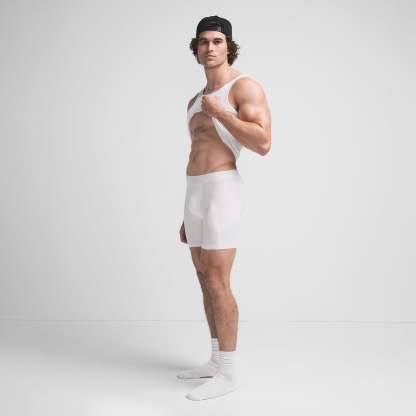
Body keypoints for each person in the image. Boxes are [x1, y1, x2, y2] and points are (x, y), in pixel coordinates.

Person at [177, 15, 271, 401]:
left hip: (221, 189)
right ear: (196, 49)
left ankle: (229, 372)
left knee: (218, 280)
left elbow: (263, 142)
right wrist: (187, 214)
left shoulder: (244, 86)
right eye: (203, 42)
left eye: (217, 41)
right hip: (195, 192)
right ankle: (216, 360)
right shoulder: (193, 100)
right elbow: (197, 151)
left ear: (229, 46)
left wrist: (220, 113)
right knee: (203, 277)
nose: (210, 47)